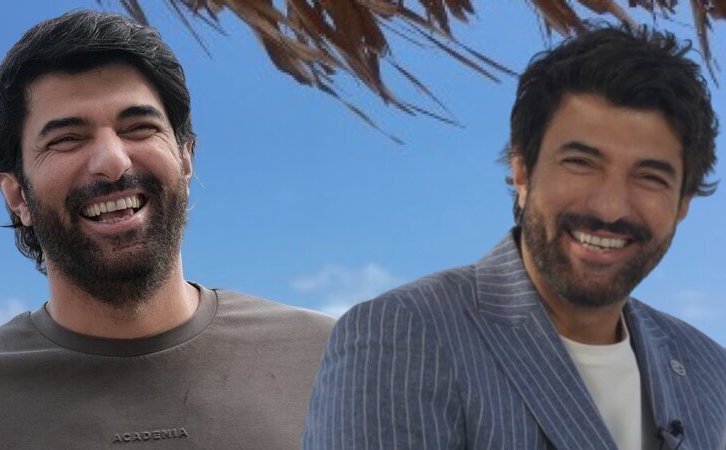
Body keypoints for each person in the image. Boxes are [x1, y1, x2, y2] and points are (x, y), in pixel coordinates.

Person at [303, 24, 725, 450]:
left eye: (650, 177)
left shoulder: (711, 369)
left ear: (683, 202)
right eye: (581, 163)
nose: (610, 207)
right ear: (522, 172)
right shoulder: (400, 337)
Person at [0, 10, 334, 449]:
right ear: (17, 195)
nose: (114, 162)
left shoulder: (334, 360)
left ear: (186, 159)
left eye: (139, 128)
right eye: (67, 139)